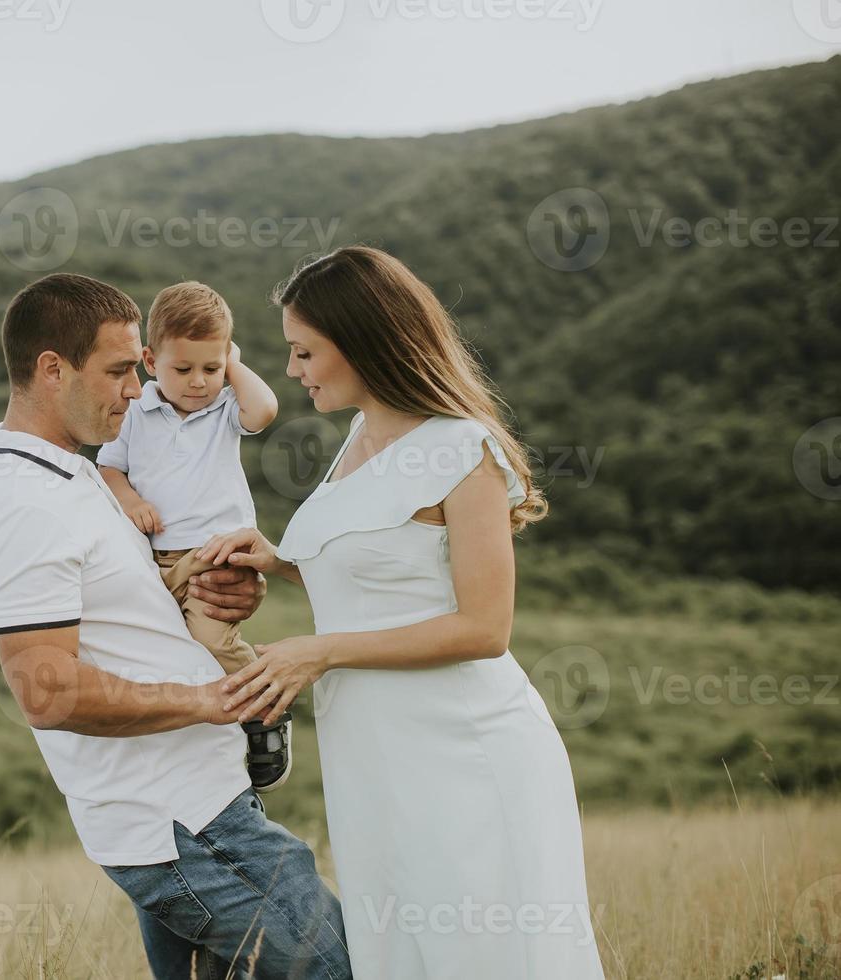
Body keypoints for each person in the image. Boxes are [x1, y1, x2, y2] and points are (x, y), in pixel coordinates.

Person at [200, 245, 606, 979]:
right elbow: (380, 571)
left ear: (361, 343)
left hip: (466, 754)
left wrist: (319, 652)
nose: (292, 370)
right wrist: (277, 557)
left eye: (304, 352)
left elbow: (485, 628)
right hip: (374, 755)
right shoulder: (359, 438)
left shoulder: (461, 448)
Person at [0, 272, 351, 979]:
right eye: (118, 371)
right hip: (182, 822)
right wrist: (207, 700)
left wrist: (227, 597)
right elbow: (45, 691)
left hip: (196, 803)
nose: (137, 390)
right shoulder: (24, 502)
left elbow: (134, 616)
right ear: (53, 369)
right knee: (338, 968)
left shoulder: (74, 475)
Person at [97, 281, 293, 792]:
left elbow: (266, 410)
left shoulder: (225, 407)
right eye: (182, 369)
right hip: (155, 558)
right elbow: (109, 469)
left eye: (211, 368)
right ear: (149, 360)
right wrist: (133, 502)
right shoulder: (136, 414)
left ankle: (265, 710)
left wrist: (233, 364)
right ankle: (191, 759)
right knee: (168, 651)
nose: (198, 382)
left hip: (217, 553)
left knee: (213, 640)